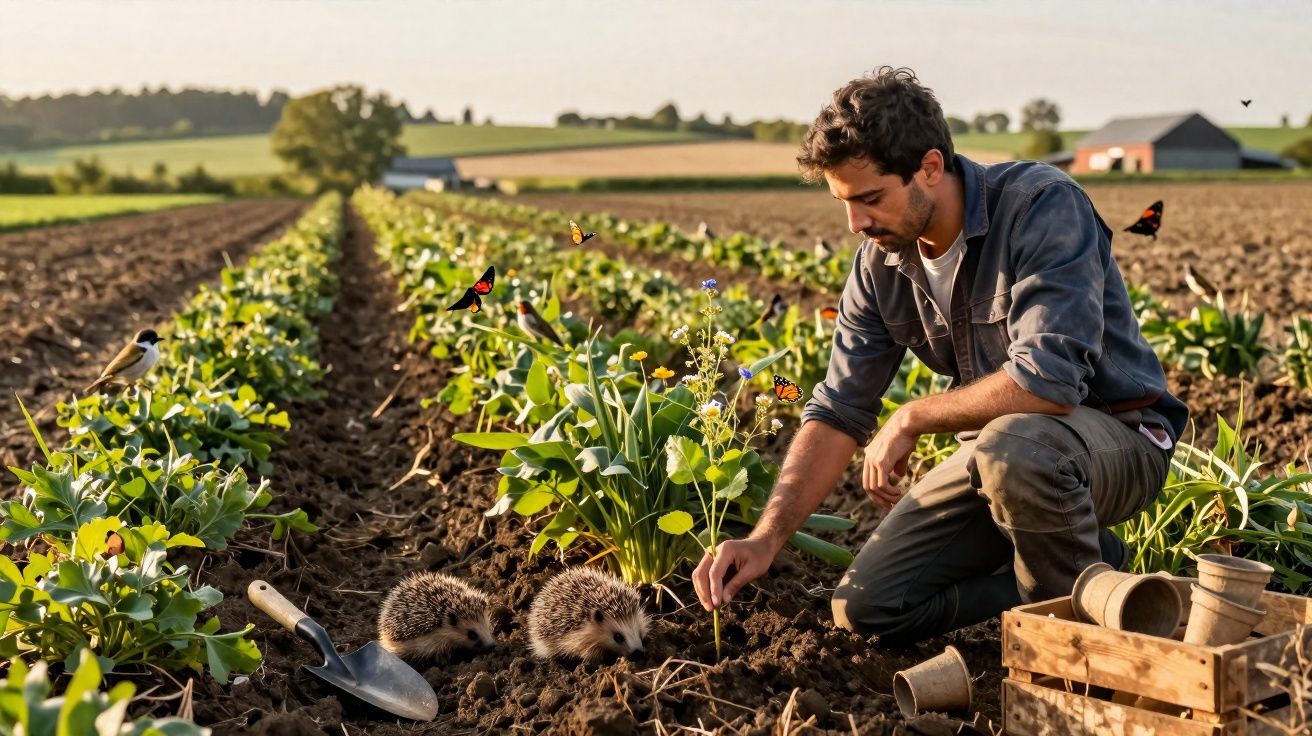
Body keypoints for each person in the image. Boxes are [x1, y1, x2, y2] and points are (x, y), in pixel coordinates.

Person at [691, 67, 1188, 644]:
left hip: (1113, 441)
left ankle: (1073, 645)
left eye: (870, 198)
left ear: (930, 167)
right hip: (1002, 457)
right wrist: (765, 539)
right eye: (844, 204)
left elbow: (1048, 384)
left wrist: (912, 416)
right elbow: (837, 411)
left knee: (1016, 444)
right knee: (868, 608)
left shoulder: (1040, 206)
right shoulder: (880, 268)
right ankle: (1087, 567)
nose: (856, 224)